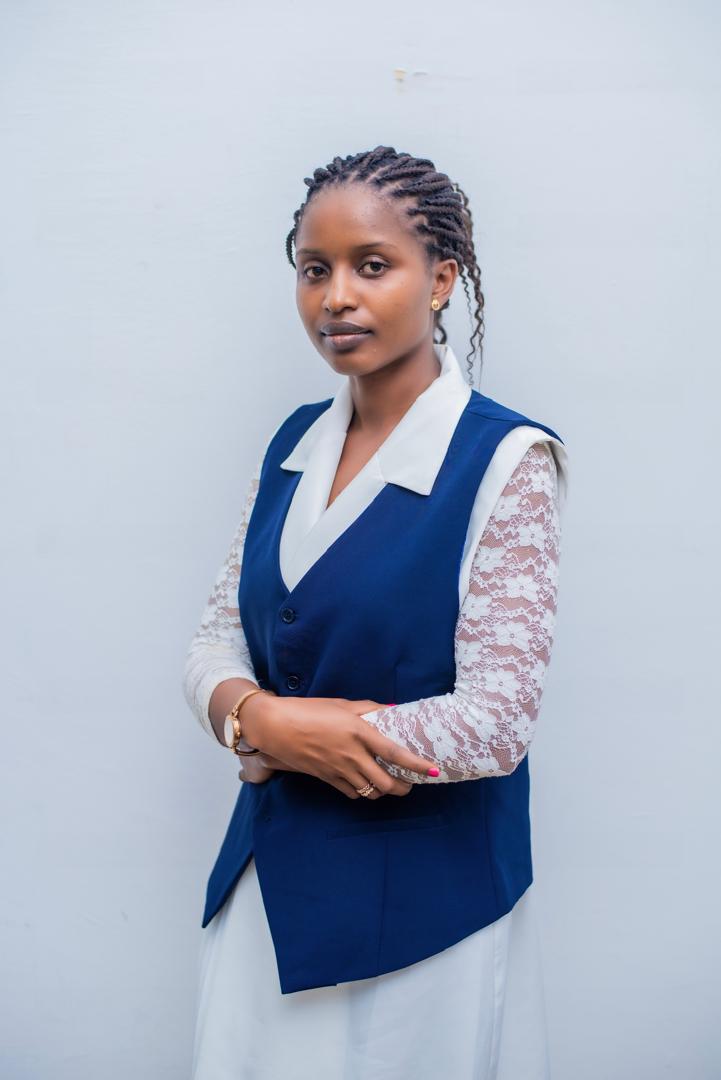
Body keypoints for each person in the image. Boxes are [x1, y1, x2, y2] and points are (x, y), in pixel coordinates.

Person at [182, 145, 569, 1080]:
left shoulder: (507, 459)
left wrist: (298, 737)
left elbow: (498, 719)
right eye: (314, 270)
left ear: (440, 281)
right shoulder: (293, 444)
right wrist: (259, 718)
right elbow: (216, 638)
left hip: (426, 910)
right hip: (269, 885)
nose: (336, 298)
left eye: (371, 265)